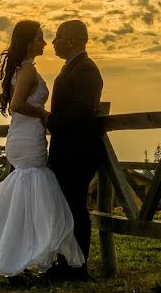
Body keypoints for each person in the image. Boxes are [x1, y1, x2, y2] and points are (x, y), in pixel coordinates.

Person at [0, 20, 84, 278]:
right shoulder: (26, 70)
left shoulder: (24, 69)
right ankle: (19, 256)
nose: (45, 43)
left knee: (26, 193)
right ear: (28, 42)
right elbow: (16, 105)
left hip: (25, 135)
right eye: (39, 38)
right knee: (31, 188)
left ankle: (20, 254)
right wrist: (44, 114)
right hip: (27, 136)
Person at [44, 19, 105, 281]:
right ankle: (66, 262)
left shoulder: (86, 70)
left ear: (71, 41)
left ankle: (78, 266)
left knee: (75, 208)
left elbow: (82, 110)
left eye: (57, 37)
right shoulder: (72, 68)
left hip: (77, 152)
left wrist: (50, 121)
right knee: (64, 207)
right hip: (66, 150)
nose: (53, 42)